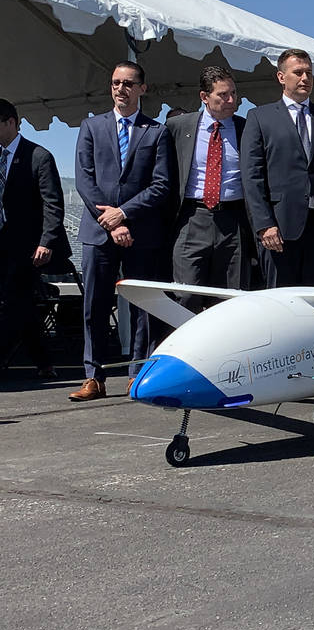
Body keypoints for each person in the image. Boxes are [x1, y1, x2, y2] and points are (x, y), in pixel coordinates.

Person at [70, 61, 173, 400]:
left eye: (128, 83)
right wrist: (111, 221)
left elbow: (161, 186)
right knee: (95, 305)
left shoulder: (157, 132)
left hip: (141, 233)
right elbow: (85, 180)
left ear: (142, 88)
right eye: (116, 83)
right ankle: (93, 376)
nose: (121, 89)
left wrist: (124, 214)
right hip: (99, 232)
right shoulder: (91, 126)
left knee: (141, 307)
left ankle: (137, 373)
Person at [241, 49, 314, 288]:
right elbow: (252, 176)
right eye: (298, 72)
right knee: (280, 301)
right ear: (281, 77)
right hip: (279, 227)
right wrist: (264, 224)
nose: (305, 78)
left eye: (309, 73)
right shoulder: (259, 117)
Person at [166, 67, 251, 310]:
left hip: (233, 220)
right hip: (192, 218)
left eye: (234, 93)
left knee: (229, 298)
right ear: (204, 97)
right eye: (223, 95)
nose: (232, 100)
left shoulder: (246, 129)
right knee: (186, 294)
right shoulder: (178, 127)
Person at [0, 98, 72, 378]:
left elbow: (53, 203)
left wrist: (47, 241)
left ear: (10, 123)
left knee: (13, 300)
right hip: (3, 244)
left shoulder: (38, 156)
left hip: (28, 246)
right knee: (22, 305)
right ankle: (44, 361)